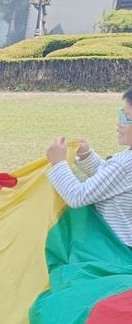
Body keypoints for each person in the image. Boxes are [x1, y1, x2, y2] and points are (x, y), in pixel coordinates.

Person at [44, 88, 132, 248]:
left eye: (126, 118)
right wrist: (86, 156)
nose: (119, 123)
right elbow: (110, 182)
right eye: (121, 114)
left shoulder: (125, 164)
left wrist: (58, 164)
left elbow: (77, 196)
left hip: (114, 250)